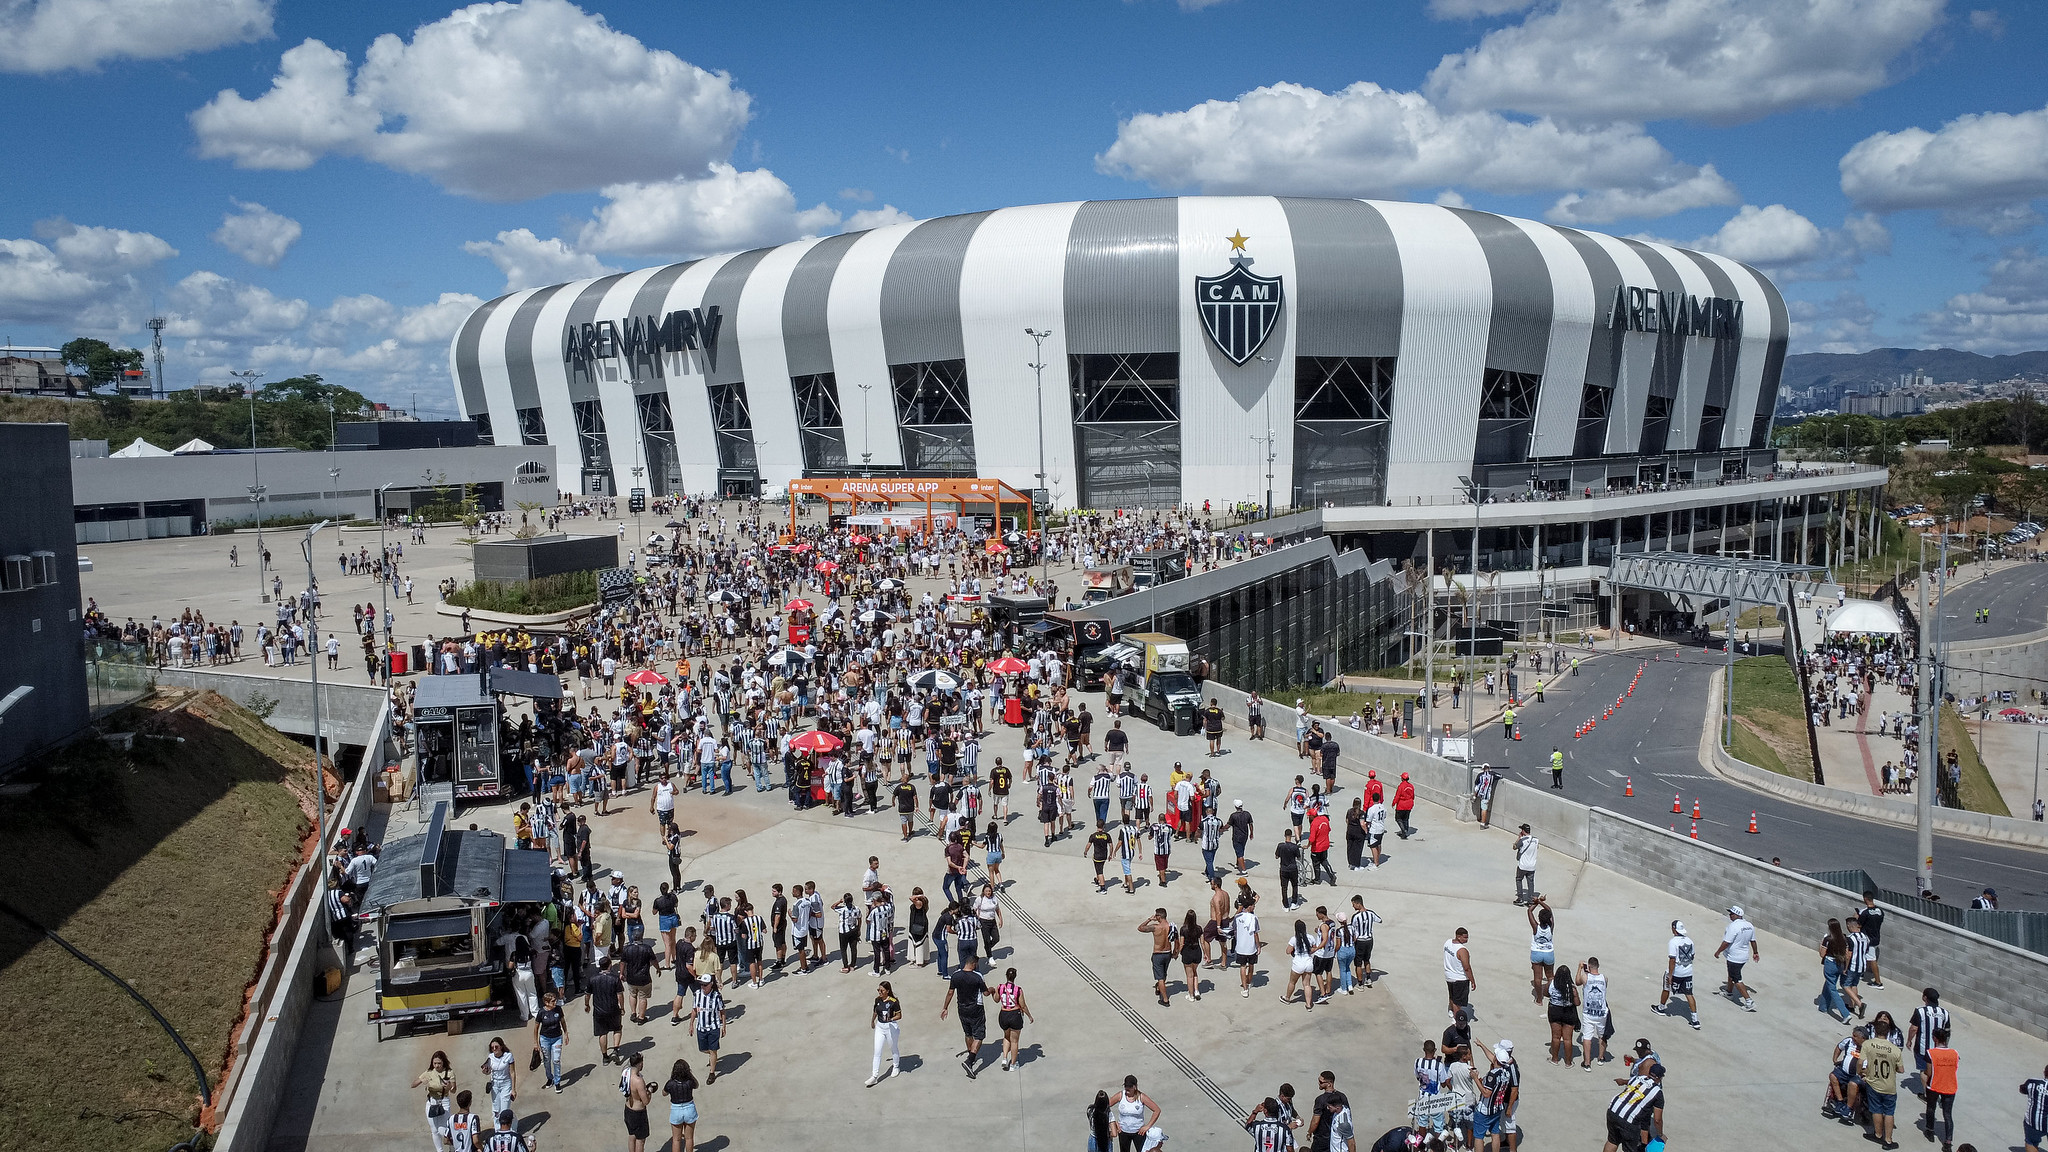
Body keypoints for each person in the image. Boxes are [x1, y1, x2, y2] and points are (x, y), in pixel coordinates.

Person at [940, 957, 988, 1078]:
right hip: (976, 1009)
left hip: (961, 1009)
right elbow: (986, 993)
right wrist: (992, 990)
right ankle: (970, 1061)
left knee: (968, 1033)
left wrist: (945, 1007)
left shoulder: (956, 975)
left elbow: (950, 992)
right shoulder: (978, 976)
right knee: (979, 1035)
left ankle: (971, 1055)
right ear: (973, 964)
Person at [1860, 1021, 1905, 1149]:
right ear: (1888, 1032)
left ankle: (1878, 1134)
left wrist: (1861, 1072)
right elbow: (1901, 1069)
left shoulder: (1868, 1044)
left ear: (1875, 1031)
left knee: (1876, 1110)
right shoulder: (1895, 1049)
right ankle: (1888, 1140)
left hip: (1873, 1083)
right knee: (1889, 1112)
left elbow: (1860, 1062)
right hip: (1889, 1086)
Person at [1602, 1061, 1665, 1152]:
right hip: (1629, 1120)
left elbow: (1628, 1083)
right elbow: (1657, 1120)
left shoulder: (1637, 1078)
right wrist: (1660, 1134)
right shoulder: (1657, 1092)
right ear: (1660, 1078)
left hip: (1613, 1110)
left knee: (1612, 1141)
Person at [1656, 920, 1700, 1029]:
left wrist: (1670, 975)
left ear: (1674, 929)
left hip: (1676, 972)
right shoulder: (1690, 941)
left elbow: (1672, 959)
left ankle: (1661, 1008)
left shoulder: (1673, 942)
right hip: (1688, 972)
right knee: (1689, 994)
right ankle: (1695, 1020)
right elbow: (1692, 955)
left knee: (1666, 988)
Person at [1713, 904, 1759, 1010]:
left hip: (1734, 957)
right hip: (1743, 957)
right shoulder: (1749, 925)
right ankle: (1729, 992)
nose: (1730, 915)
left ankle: (1749, 1002)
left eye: (1732, 913)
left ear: (1737, 915)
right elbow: (1753, 941)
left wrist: (1718, 952)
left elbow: (1726, 942)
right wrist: (1755, 952)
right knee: (1732, 973)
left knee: (1736, 978)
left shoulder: (1733, 926)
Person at [412, 1049, 457, 1152]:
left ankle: (453, 1147)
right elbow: (412, 1085)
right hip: (431, 1102)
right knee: (434, 1130)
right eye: (435, 1063)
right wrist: (421, 1081)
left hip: (444, 1101)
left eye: (439, 1063)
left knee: (443, 1129)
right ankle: (439, 1150)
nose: (437, 1066)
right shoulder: (429, 1072)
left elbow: (454, 1090)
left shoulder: (449, 1072)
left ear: (443, 1062)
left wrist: (449, 1086)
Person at [1924, 1028, 1958, 1151]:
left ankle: (1930, 1130)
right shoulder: (1955, 1053)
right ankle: (1948, 1142)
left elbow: (1929, 1072)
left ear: (1935, 1038)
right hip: (1950, 1085)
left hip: (1934, 1084)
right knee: (1948, 1114)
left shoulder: (1930, 1053)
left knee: (1931, 1108)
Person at [994, 966, 1034, 1071]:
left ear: (1006, 976)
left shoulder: (1000, 987)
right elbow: (1023, 1005)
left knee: (1006, 1037)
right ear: (1015, 977)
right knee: (1014, 1041)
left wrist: (993, 992)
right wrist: (1029, 1016)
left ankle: (1004, 1058)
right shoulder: (1018, 990)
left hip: (1003, 1014)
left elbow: (996, 1000)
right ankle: (1012, 1064)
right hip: (1014, 1015)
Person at [1111, 1075, 1163, 1152]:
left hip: (1139, 1132)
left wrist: (1147, 1126)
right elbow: (1105, 1106)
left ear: (1135, 1087)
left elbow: (1157, 1110)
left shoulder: (1142, 1097)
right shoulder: (1120, 1095)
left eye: (1129, 1087)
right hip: (1123, 1131)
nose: (1127, 1089)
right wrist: (1114, 1122)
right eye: (1125, 1086)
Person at [692, 973, 726, 1083]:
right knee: (703, 1049)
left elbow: (722, 1011)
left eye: (705, 985)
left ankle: (712, 1072)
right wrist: (691, 1024)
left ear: (711, 984)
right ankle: (712, 1056)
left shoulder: (716, 996)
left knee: (713, 1050)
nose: (703, 987)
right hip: (701, 1027)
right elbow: (694, 1010)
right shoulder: (697, 994)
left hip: (713, 1027)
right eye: (702, 985)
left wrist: (724, 1026)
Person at [867, 980, 902, 1087]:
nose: (879, 992)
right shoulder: (877, 1000)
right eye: (878, 990)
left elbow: (899, 1016)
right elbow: (875, 1011)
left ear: (887, 991)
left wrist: (890, 1019)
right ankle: (874, 1076)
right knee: (877, 1051)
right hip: (880, 1027)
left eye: (881, 990)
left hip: (890, 1027)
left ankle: (896, 1066)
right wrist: (872, 1021)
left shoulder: (894, 1001)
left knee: (893, 1048)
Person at [1576, 957, 1609, 1068]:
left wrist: (1580, 968)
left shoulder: (1585, 977)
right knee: (1602, 1036)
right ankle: (1601, 1058)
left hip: (1589, 1013)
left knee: (1587, 1036)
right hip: (1601, 1012)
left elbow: (1577, 981)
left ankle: (1587, 1062)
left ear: (1589, 966)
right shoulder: (1604, 978)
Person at [1141, 908, 1177, 1007]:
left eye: (1156, 916)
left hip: (1158, 954)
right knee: (1164, 974)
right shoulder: (1172, 926)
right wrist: (1176, 952)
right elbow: (1177, 940)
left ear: (1159, 917)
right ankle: (1158, 988)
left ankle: (1165, 1000)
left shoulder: (1155, 927)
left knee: (1160, 978)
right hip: (1168, 953)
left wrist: (1149, 919)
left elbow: (1140, 928)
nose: (1155, 917)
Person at [664, 1059, 700, 1152]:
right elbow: (697, 1085)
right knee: (689, 1138)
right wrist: (690, 1074)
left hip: (676, 1110)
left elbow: (664, 1093)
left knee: (676, 1139)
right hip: (689, 1109)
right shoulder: (690, 1082)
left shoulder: (671, 1083)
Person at [480, 1035, 518, 1119]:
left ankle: (508, 1127)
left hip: (505, 1083)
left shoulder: (508, 1056)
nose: (494, 1049)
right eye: (492, 1047)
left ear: (501, 1046)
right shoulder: (490, 1057)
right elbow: (488, 1070)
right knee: (496, 1109)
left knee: (504, 1109)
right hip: (495, 1085)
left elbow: (512, 1072)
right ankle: (498, 1130)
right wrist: (485, 1072)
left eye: (496, 1047)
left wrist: (513, 1089)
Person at [1526, 896, 1555, 1005]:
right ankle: (1552, 995)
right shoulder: (1551, 926)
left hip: (1536, 953)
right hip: (1548, 953)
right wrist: (1541, 902)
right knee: (1551, 976)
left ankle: (1539, 999)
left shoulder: (1535, 927)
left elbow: (1529, 911)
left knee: (1537, 978)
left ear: (1539, 918)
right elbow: (1549, 910)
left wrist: (1536, 902)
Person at [1444, 927, 1476, 1022]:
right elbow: (1467, 967)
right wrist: (1472, 981)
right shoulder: (1462, 950)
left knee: (1452, 996)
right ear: (1458, 936)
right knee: (1458, 1002)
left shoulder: (1448, 943)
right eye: (1464, 937)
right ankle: (1457, 1019)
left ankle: (1451, 1010)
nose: (1466, 940)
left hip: (1449, 976)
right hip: (1460, 979)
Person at [622, 1052, 652, 1152]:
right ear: (639, 1064)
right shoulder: (638, 1081)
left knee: (632, 1135)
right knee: (640, 1140)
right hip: (638, 1112)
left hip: (628, 1110)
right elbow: (645, 1101)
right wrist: (650, 1091)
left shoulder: (625, 1072)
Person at [1232, 895, 1261, 997]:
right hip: (1251, 947)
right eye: (1253, 905)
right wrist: (1258, 946)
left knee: (1242, 966)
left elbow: (1234, 930)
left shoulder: (1237, 917)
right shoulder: (1254, 918)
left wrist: (1239, 938)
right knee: (1251, 965)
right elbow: (1255, 933)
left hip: (1241, 947)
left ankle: (1245, 988)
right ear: (1249, 906)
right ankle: (1248, 982)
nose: (1254, 907)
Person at [2020, 1063, 2048, 1152]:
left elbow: (2022, 1089)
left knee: (2031, 1141)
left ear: (2045, 1072)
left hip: (2033, 1122)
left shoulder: (2032, 1082)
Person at [1178, 909, 1205, 1002]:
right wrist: (1206, 954)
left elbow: (1181, 944)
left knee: (1189, 975)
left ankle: (1191, 995)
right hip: (1197, 952)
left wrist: (1177, 952)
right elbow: (1202, 942)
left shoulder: (1183, 929)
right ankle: (1196, 990)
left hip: (1187, 953)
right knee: (1195, 972)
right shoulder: (1199, 928)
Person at [1511, 825, 1537, 906]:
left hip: (1522, 865)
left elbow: (1514, 847)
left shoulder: (1522, 840)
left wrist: (1518, 838)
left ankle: (1520, 899)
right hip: (1532, 866)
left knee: (1519, 879)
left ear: (1523, 831)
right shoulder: (1536, 840)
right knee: (1531, 883)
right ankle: (1530, 901)